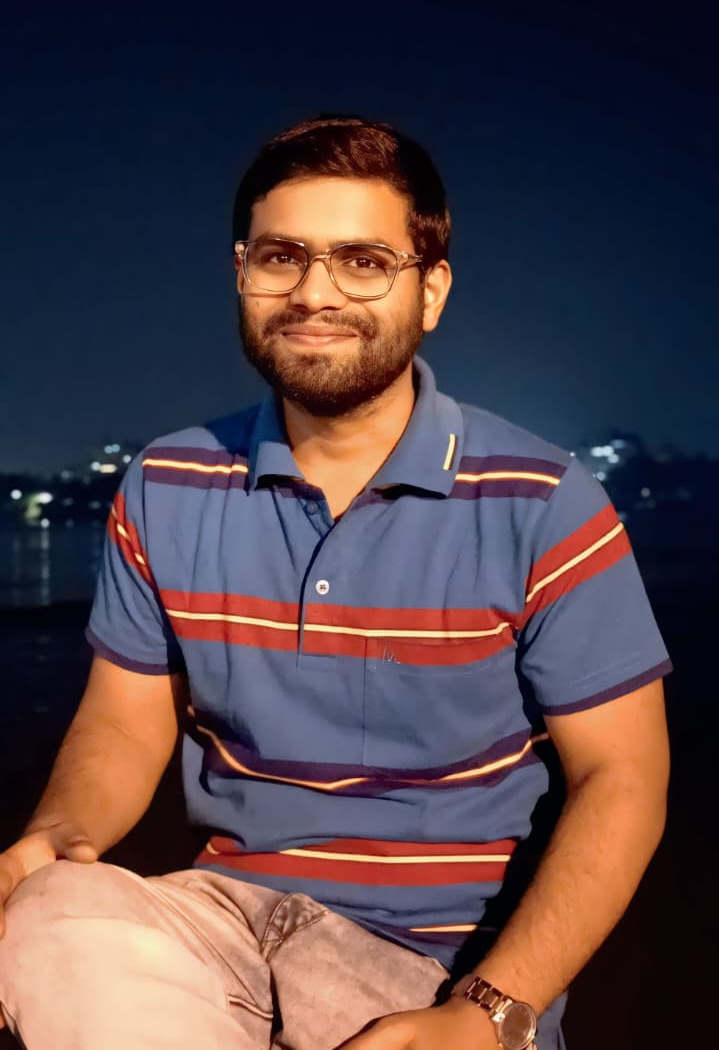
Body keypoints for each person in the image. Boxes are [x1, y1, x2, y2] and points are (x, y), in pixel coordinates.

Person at [0, 115, 671, 1050]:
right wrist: (56, 834)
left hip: (439, 964)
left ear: (430, 292)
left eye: (362, 261)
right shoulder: (166, 484)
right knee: (49, 914)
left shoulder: (541, 502)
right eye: (282, 257)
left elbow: (622, 777)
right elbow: (123, 724)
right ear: (241, 273)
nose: (314, 293)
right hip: (223, 917)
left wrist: (490, 1011)